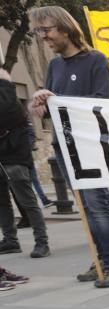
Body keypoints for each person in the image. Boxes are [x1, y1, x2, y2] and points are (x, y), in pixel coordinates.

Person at [29, 5, 109, 287]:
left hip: (90, 146)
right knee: (85, 207)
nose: (43, 37)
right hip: (65, 146)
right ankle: (100, 262)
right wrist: (42, 105)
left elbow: (102, 102)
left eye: (46, 30)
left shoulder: (96, 60)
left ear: (65, 28)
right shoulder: (55, 66)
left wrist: (56, 98)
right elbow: (53, 107)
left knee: (98, 205)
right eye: (39, 31)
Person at [0, 67, 50, 258]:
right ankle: (10, 240)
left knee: (27, 201)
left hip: (14, 158)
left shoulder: (7, 97)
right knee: (3, 202)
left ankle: (41, 242)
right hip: (8, 157)